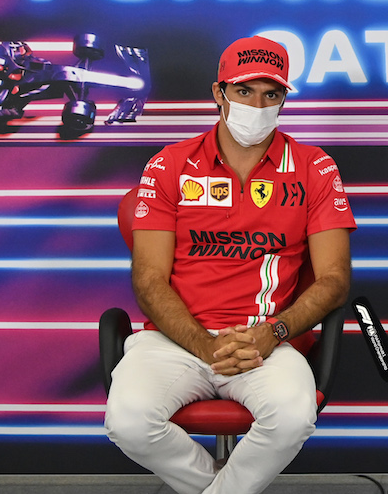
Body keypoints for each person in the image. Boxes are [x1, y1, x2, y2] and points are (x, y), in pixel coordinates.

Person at [105, 36, 355, 494]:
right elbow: (148, 279)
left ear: (283, 99)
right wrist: (202, 344)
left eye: (271, 94)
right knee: (128, 421)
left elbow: (335, 280)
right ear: (218, 93)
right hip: (176, 338)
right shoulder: (169, 165)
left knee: (293, 416)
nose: (257, 105)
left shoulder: (314, 167)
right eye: (244, 91)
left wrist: (273, 332)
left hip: (269, 340)